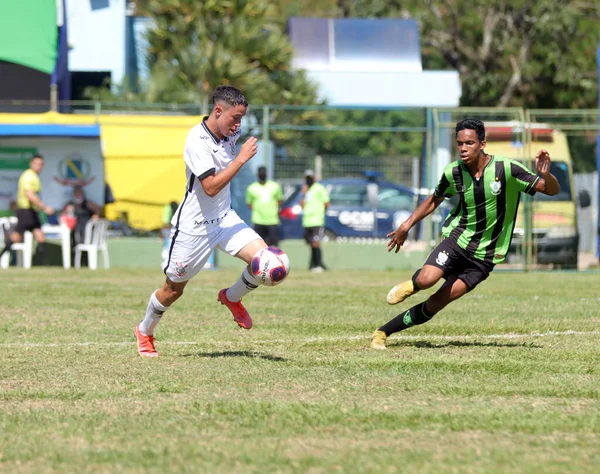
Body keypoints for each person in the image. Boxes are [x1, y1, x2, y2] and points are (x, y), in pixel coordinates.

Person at [370, 118, 561, 349]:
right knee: (426, 279)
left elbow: (549, 189)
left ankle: (382, 332)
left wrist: (546, 174)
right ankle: (414, 284)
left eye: (469, 143)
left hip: (485, 256)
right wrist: (406, 225)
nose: (463, 148)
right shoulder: (453, 172)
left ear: (482, 143)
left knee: (436, 303)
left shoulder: (506, 169)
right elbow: (434, 199)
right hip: (458, 241)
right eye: (459, 143)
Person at [135, 85, 289, 357]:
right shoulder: (196, 140)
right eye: (235, 118)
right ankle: (145, 331)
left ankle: (231, 297)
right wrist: (241, 160)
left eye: (242, 118)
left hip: (225, 219)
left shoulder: (231, 132)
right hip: (194, 227)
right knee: (172, 291)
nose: (238, 124)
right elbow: (210, 187)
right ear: (218, 111)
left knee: (269, 261)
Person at [0, 154, 54, 265]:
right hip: (25, 211)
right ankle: (1, 257)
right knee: (16, 237)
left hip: (32, 212)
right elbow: (30, 195)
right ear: (31, 164)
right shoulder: (28, 176)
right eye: (37, 164)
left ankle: (45, 264)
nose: (39, 166)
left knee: (40, 236)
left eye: (41, 164)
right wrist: (44, 207)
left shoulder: (35, 176)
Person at [245, 166, 283, 247]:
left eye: (264, 174)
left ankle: (274, 259)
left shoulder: (275, 186)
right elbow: (249, 204)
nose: (262, 175)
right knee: (259, 246)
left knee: (273, 246)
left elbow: (279, 200)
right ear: (258, 175)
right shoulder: (251, 188)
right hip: (258, 221)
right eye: (261, 174)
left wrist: (272, 210)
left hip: (272, 220)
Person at [300, 169, 330, 272]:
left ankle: (318, 265)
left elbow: (326, 203)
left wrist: (319, 212)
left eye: (310, 178)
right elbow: (302, 205)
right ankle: (313, 265)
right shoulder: (305, 190)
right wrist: (303, 194)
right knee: (310, 243)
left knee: (315, 243)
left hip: (317, 220)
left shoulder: (319, 188)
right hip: (307, 221)